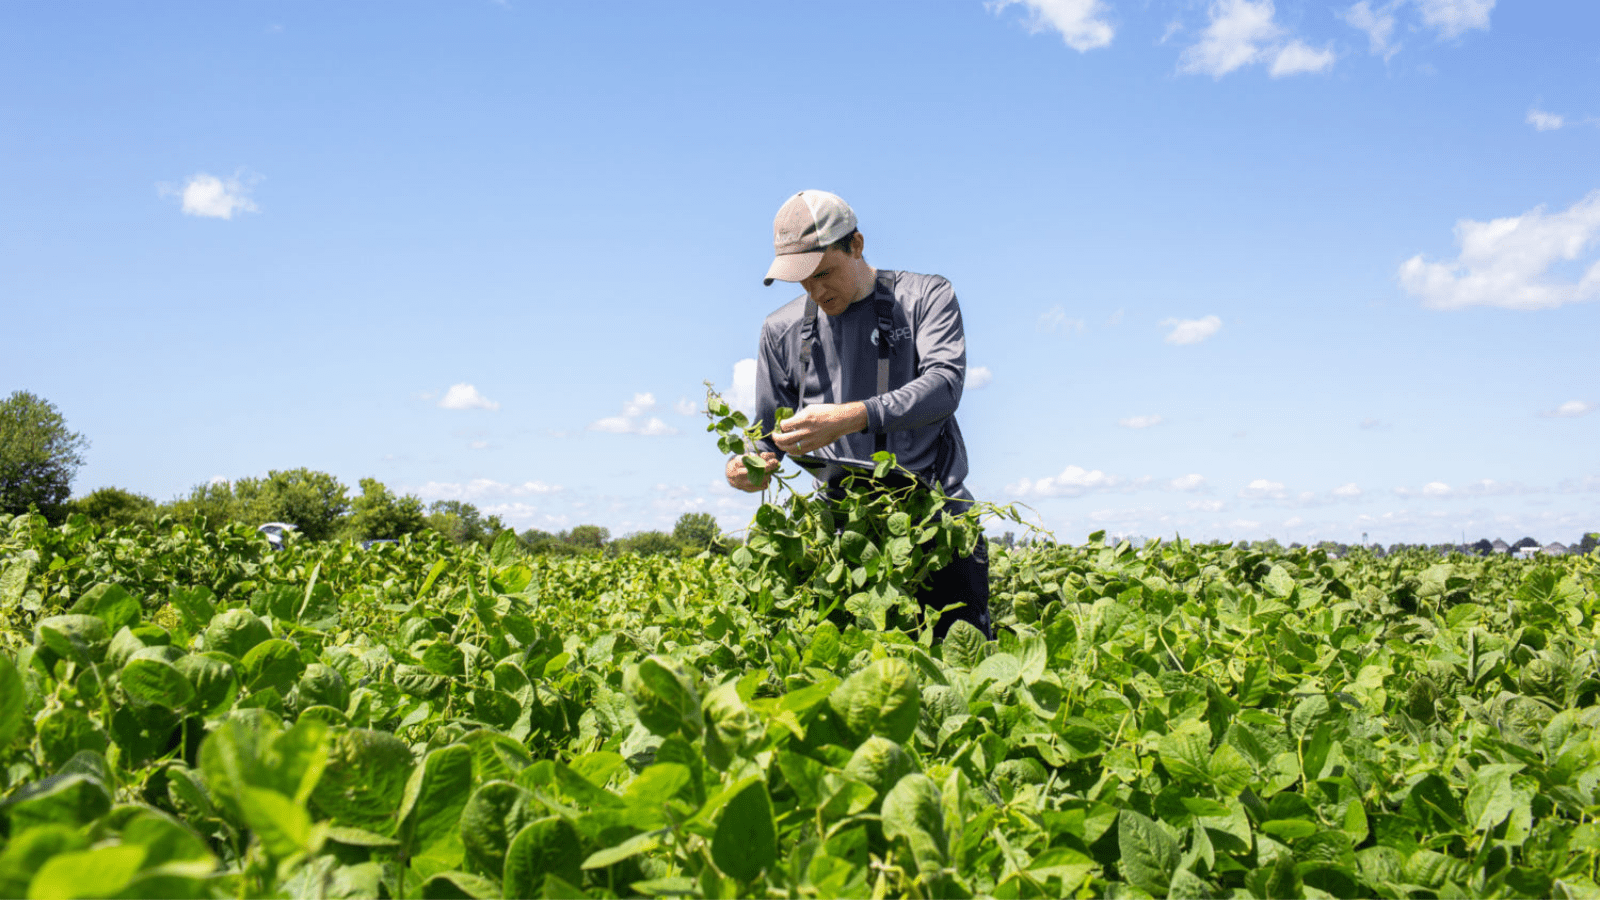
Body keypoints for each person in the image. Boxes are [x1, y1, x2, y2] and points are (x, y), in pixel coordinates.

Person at [725, 189, 992, 640]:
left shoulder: (926, 296)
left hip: (936, 516)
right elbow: (769, 433)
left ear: (857, 245)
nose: (816, 290)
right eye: (803, 281)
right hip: (843, 531)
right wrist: (749, 463)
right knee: (852, 677)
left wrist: (854, 416)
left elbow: (945, 385)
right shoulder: (780, 330)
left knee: (963, 664)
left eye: (824, 273)